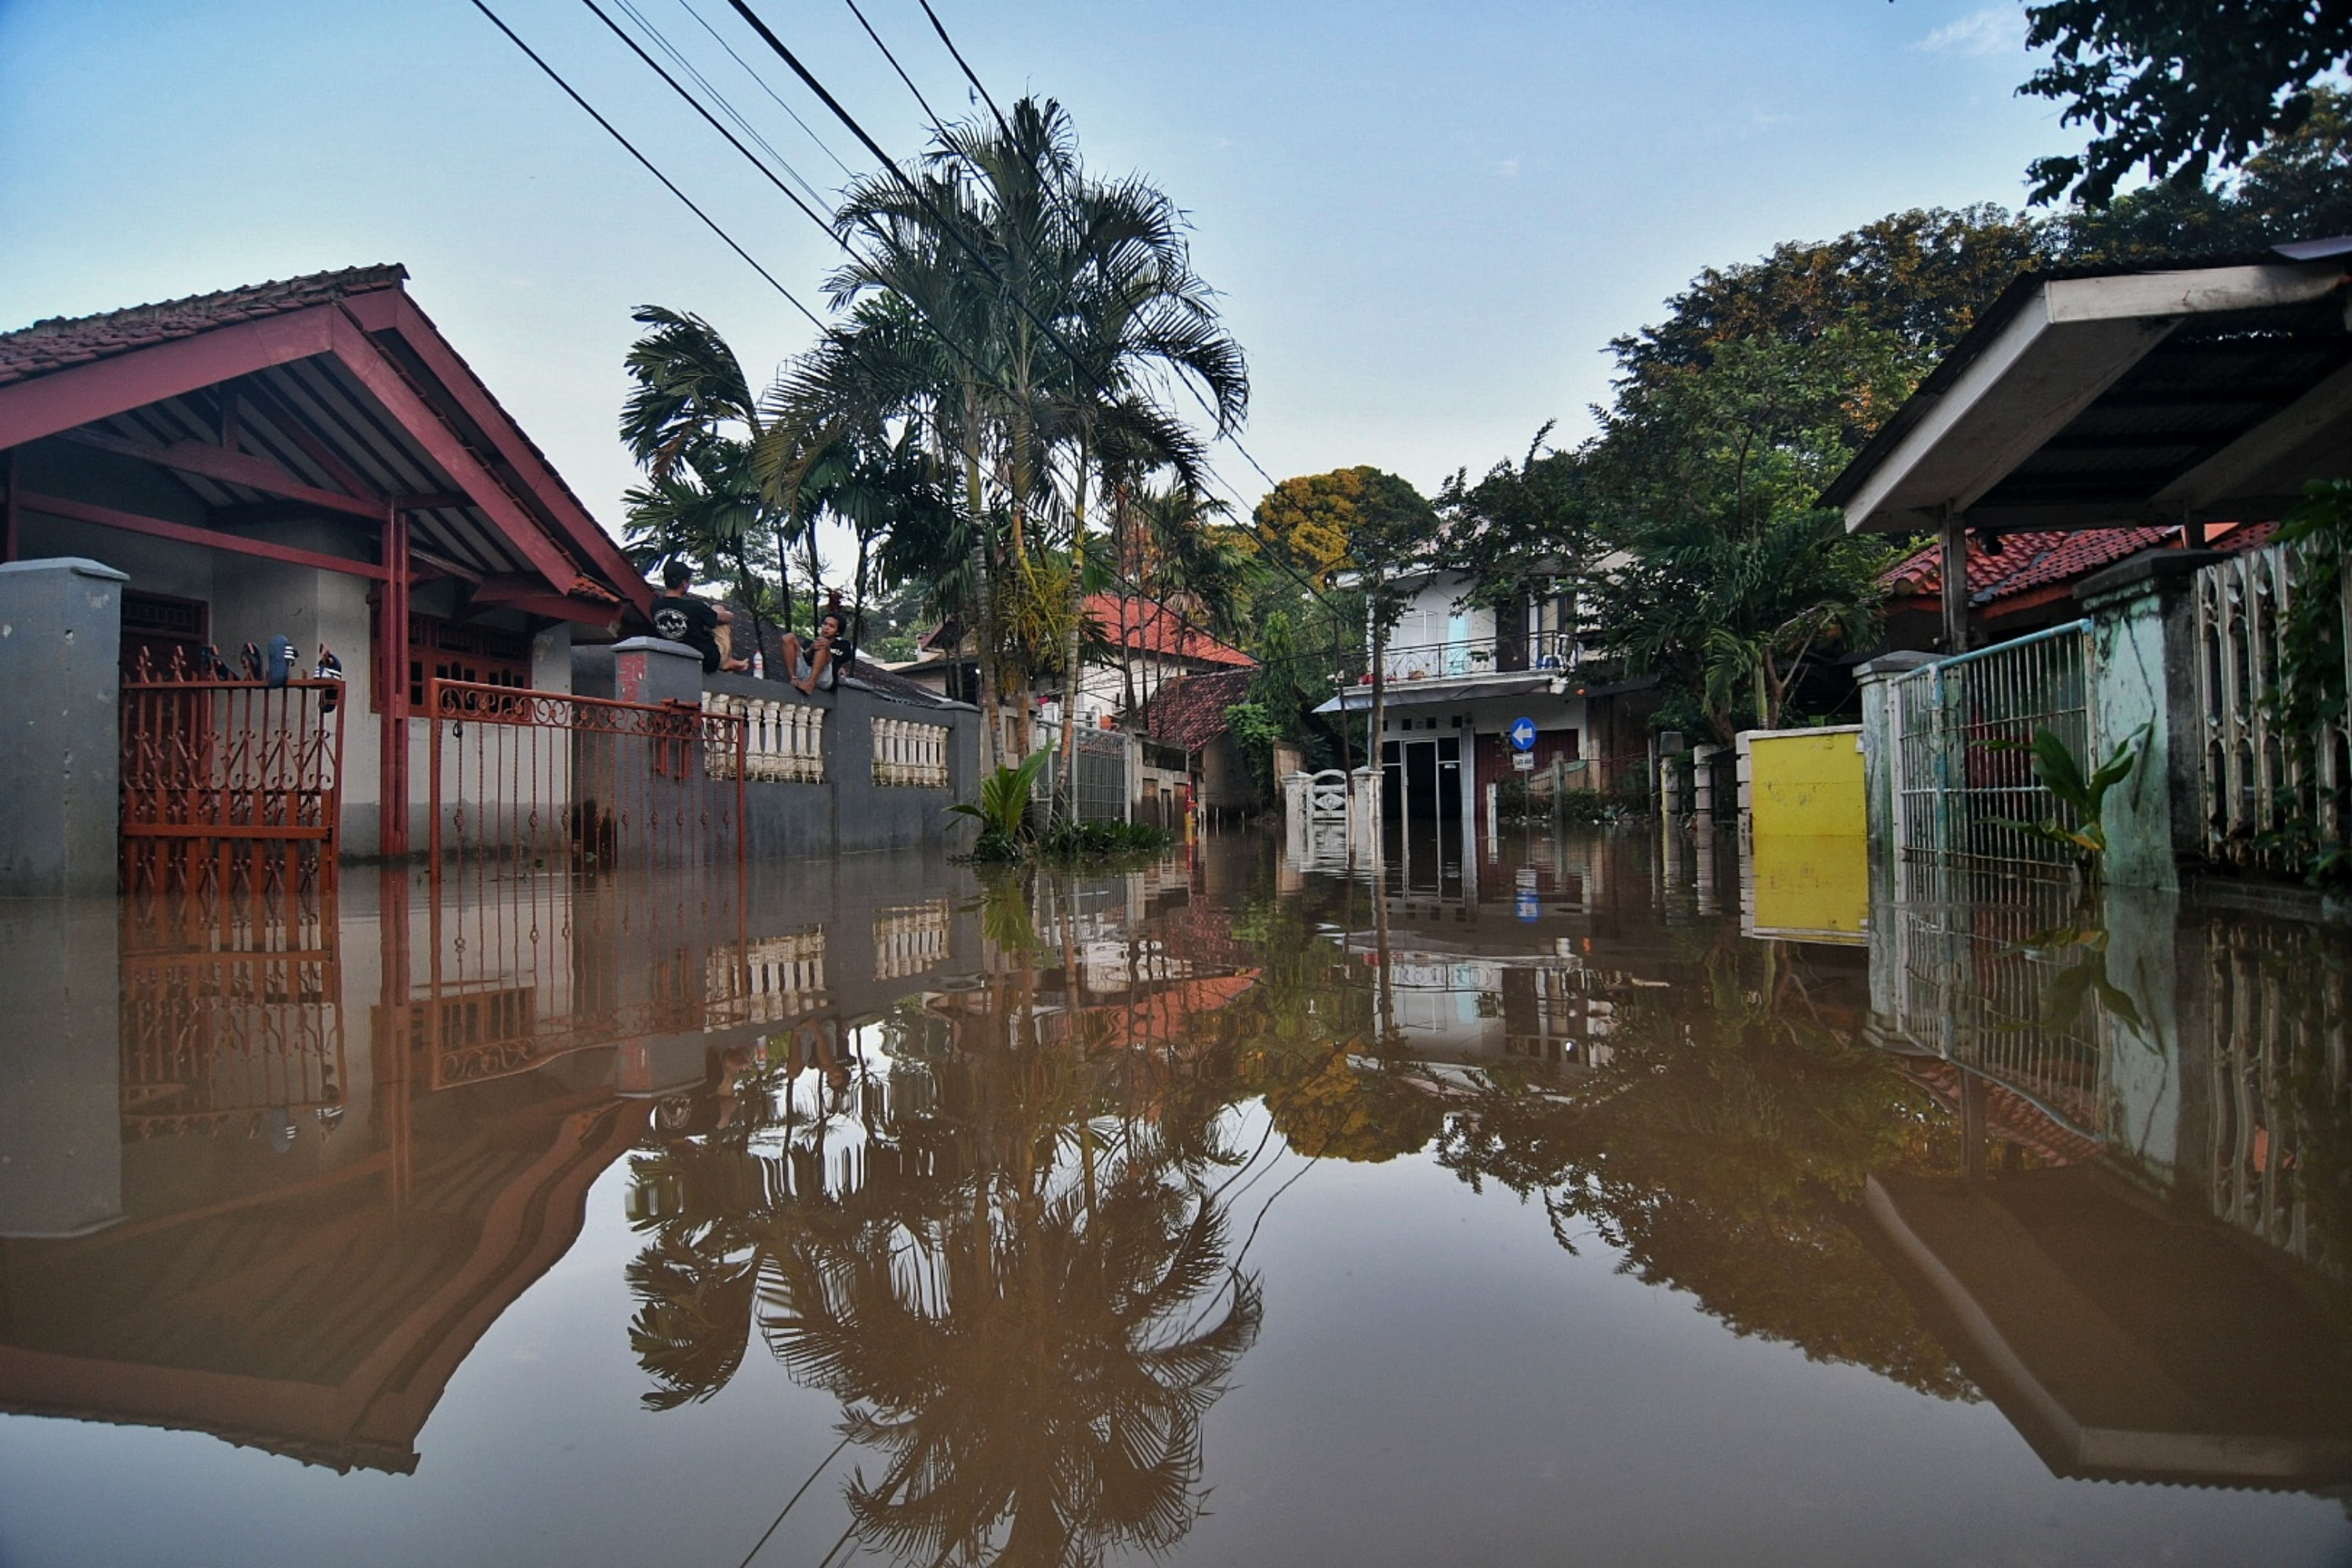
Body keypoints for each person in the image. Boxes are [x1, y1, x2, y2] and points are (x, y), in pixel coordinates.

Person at [650, 561, 749, 673]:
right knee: (719, 610)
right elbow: (722, 619)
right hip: (706, 661)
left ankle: (726, 661)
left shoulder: (655, 607)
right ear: (684, 583)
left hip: (671, 659)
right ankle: (726, 661)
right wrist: (730, 615)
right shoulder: (695, 607)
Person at [781, 607, 846, 694]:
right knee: (788, 637)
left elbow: (836, 663)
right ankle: (793, 679)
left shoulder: (844, 645)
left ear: (837, 632)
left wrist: (827, 647)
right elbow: (805, 658)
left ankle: (810, 685)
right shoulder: (810, 642)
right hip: (806, 671)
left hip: (824, 678)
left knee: (823, 644)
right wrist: (811, 649)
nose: (826, 628)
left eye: (831, 626)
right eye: (825, 624)